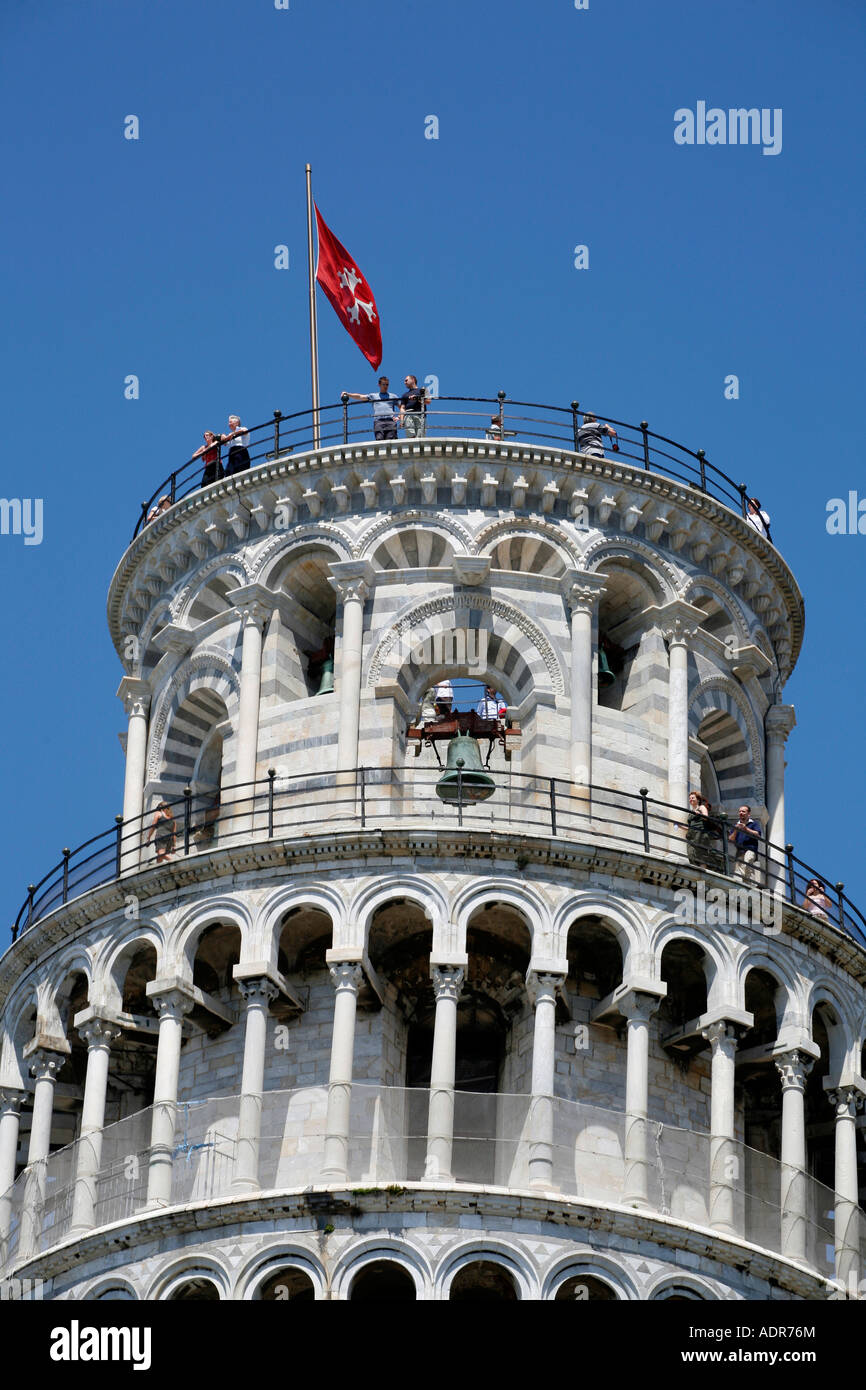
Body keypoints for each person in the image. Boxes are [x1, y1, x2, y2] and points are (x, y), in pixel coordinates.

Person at [344, 376, 400, 440]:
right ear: (379, 385)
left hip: (390, 421)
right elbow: (360, 397)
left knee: (391, 441)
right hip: (378, 421)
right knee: (379, 440)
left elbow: (402, 407)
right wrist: (348, 394)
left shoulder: (393, 396)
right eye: (383, 384)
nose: (385, 386)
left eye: (387, 384)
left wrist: (399, 417)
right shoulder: (373, 396)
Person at [728, 804, 763, 885]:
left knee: (747, 862)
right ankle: (747, 885)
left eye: (743, 811)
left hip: (750, 849)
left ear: (748, 814)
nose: (741, 813)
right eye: (740, 811)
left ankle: (751, 884)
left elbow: (758, 834)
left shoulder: (754, 824)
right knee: (741, 871)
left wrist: (746, 828)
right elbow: (730, 839)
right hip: (739, 851)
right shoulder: (736, 825)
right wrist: (736, 830)